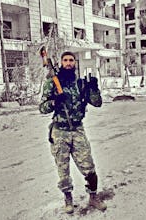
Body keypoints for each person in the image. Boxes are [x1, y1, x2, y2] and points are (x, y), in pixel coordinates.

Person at [39, 51, 107, 214]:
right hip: (59, 131)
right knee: (63, 169)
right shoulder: (52, 83)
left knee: (88, 166)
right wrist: (55, 102)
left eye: (71, 60)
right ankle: (68, 199)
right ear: (61, 63)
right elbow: (42, 108)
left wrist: (94, 88)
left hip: (77, 129)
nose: (68, 63)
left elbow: (97, 103)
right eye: (65, 60)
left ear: (75, 63)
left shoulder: (81, 83)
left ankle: (93, 197)